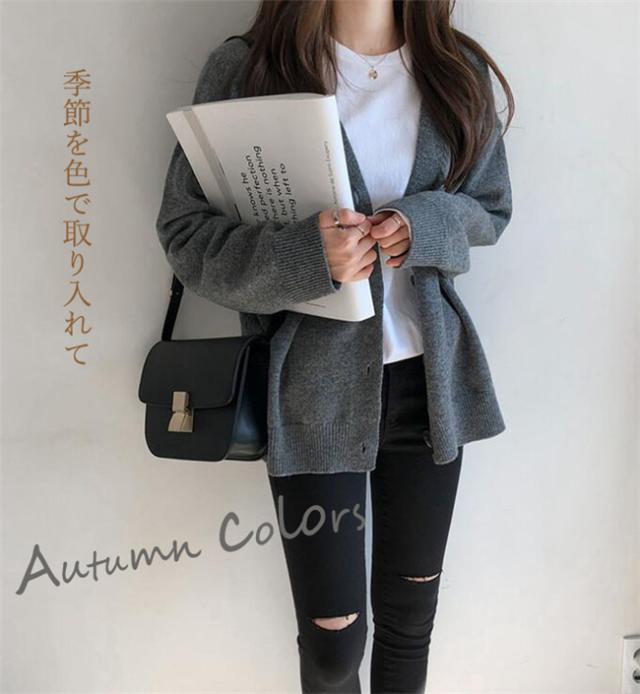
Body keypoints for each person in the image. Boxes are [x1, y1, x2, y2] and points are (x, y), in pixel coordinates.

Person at [155, 1, 514, 692]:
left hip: (429, 389)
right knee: (333, 648)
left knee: (409, 621)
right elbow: (187, 235)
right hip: (311, 397)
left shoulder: (455, 68)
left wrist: (425, 224)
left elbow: (491, 209)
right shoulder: (247, 69)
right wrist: (305, 257)